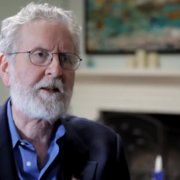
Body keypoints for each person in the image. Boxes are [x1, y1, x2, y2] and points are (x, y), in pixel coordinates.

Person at [0, 2, 130, 180]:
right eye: (40, 54)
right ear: (6, 68)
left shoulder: (106, 145)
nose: (56, 70)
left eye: (65, 58)